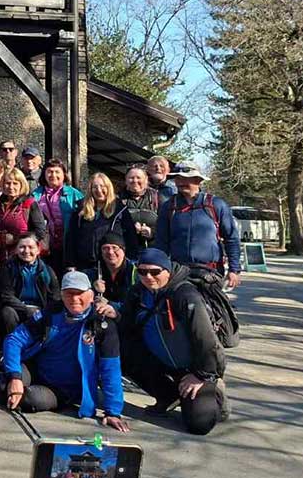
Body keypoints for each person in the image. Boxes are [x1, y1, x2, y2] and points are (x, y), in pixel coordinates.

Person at [0, 271, 128, 432]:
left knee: (31, 400)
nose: (74, 298)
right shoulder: (49, 314)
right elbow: (14, 340)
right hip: (36, 369)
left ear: (91, 295)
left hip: (64, 390)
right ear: (62, 295)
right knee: (9, 381)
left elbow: (111, 368)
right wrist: (15, 377)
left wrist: (113, 412)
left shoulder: (103, 326)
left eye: (79, 293)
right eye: (69, 293)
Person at [119, 248, 227, 434]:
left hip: (197, 368)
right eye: (142, 271)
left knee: (200, 424)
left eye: (155, 272)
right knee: (120, 349)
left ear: (167, 271)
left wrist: (201, 374)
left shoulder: (185, 295)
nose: (148, 277)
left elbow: (206, 340)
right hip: (162, 363)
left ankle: (215, 391)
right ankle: (167, 395)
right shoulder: (137, 293)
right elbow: (126, 324)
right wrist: (113, 313)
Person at [156, 165, 242, 288]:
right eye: (177, 178)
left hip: (211, 273)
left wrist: (234, 269)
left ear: (198, 180)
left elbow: (231, 238)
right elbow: (161, 242)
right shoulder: (168, 207)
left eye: (185, 178)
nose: (180, 182)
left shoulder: (216, 205)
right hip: (178, 272)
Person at [69, 172, 139, 280]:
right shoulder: (80, 211)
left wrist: (131, 261)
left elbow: (131, 237)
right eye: (95, 187)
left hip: (112, 265)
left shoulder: (120, 210)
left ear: (109, 188)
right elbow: (71, 238)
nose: (99, 190)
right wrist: (70, 263)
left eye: (102, 186)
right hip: (85, 265)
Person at [0, 233, 60, 336]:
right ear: (16, 250)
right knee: (7, 312)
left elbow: (55, 296)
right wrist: (26, 309)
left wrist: (44, 311)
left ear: (38, 249)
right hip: (18, 309)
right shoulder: (9, 268)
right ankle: (12, 341)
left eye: (31, 247)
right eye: (22, 247)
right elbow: (6, 296)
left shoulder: (47, 270)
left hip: (41, 310)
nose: (26, 251)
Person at [32, 158, 85, 276]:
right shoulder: (35, 195)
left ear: (64, 174)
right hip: (45, 246)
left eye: (57, 172)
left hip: (69, 246)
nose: (53, 175)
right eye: (49, 172)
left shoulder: (75, 195)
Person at [0, 168, 48, 272]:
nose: (11, 187)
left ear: (22, 185)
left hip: (25, 256)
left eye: (15, 183)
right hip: (1, 257)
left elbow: (40, 232)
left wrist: (15, 239)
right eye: (8, 183)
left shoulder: (29, 204)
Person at [93, 232, 135, 318]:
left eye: (114, 248)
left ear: (123, 250)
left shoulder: (136, 272)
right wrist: (92, 289)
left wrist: (110, 303)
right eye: (105, 248)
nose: (110, 252)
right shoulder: (94, 272)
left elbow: (135, 304)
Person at [121, 164, 160, 248]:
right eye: (131, 178)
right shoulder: (117, 199)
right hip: (126, 248)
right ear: (126, 180)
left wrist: (153, 232)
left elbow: (167, 224)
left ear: (146, 179)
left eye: (138, 177)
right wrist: (129, 228)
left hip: (153, 248)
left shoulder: (157, 197)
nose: (135, 181)